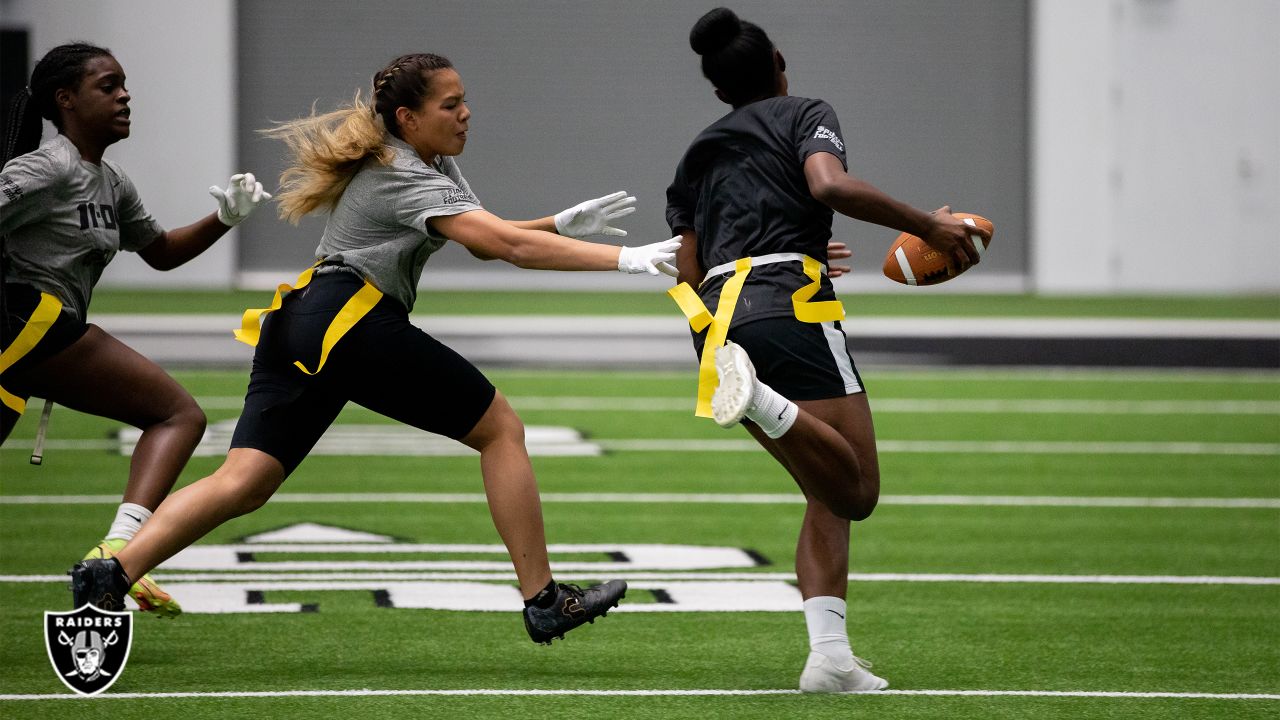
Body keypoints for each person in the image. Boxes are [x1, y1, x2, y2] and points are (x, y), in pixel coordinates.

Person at [71, 52, 681, 644]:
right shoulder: (403, 171)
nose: (467, 112)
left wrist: (558, 224)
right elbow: (502, 247)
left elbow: (483, 235)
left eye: (465, 99)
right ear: (409, 118)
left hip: (304, 318)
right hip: (349, 318)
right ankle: (545, 599)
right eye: (451, 103)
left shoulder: (424, 160)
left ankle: (110, 574)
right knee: (500, 430)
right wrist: (625, 259)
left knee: (246, 479)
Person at [665, 9, 990, 692]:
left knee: (824, 488)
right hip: (793, 308)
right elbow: (829, 185)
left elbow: (689, 268)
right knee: (858, 490)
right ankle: (758, 398)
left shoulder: (697, 150)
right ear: (779, 63)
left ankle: (831, 658)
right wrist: (926, 221)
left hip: (719, 323)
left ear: (721, 92)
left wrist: (787, 260)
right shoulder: (803, 111)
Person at [1, 43, 270, 618]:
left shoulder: (111, 181)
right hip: (31, 322)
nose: (125, 95)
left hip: (33, 341)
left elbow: (162, 252)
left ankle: (122, 550)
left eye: (125, 84)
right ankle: (122, 550)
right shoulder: (46, 169)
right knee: (177, 414)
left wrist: (226, 219)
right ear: (65, 99)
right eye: (108, 86)